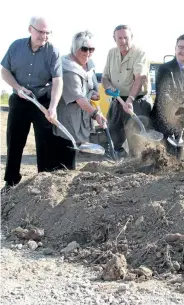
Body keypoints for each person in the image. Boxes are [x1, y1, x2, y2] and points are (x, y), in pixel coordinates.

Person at [0, 16, 63, 193]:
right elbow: (4, 71)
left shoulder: (53, 52)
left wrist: (53, 106)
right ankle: (11, 182)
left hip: (41, 100)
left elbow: (58, 81)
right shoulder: (16, 46)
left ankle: (44, 183)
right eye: (40, 32)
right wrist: (17, 87)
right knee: (14, 140)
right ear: (30, 29)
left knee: (45, 142)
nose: (44, 36)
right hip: (19, 99)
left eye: (47, 33)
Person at [53, 31, 107, 170]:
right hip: (69, 117)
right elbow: (79, 98)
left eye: (91, 49)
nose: (88, 53)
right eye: (84, 49)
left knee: (76, 146)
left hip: (83, 114)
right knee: (68, 148)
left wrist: (94, 95)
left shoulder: (90, 65)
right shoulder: (67, 68)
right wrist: (95, 114)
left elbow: (92, 88)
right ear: (75, 48)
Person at [101, 24, 151, 158]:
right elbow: (104, 78)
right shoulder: (111, 53)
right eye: (120, 38)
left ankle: (139, 165)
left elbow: (139, 78)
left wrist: (130, 99)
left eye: (126, 38)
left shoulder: (140, 53)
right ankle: (116, 163)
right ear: (114, 39)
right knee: (114, 137)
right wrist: (109, 87)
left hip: (137, 101)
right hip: (117, 100)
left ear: (132, 38)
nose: (123, 41)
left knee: (136, 139)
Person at [150, 34, 184, 158]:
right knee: (166, 155)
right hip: (164, 120)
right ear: (175, 48)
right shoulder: (164, 69)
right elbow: (163, 94)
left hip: (182, 123)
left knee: (179, 154)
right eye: (181, 47)